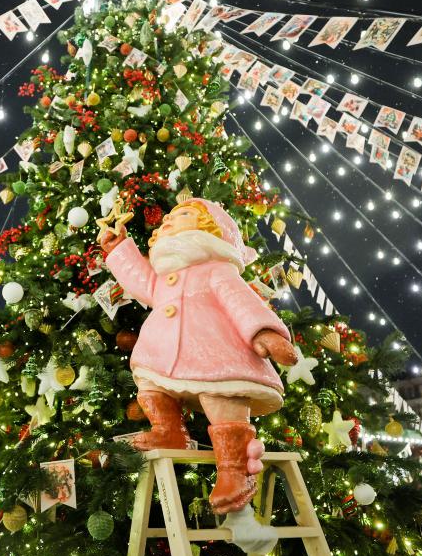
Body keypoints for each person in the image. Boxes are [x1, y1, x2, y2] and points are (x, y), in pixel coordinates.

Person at [99, 198, 296, 514]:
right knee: (151, 386)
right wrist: (119, 248)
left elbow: (240, 301)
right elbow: (140, 281)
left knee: (223, 396)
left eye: (183, 215)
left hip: (214, 353)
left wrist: (264, 332)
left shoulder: (217, 270)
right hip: (160, 355)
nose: (167, 222)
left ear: (211, 230)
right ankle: (169, 431)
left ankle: (234, 470)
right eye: (166, 220)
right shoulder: (163, 278)